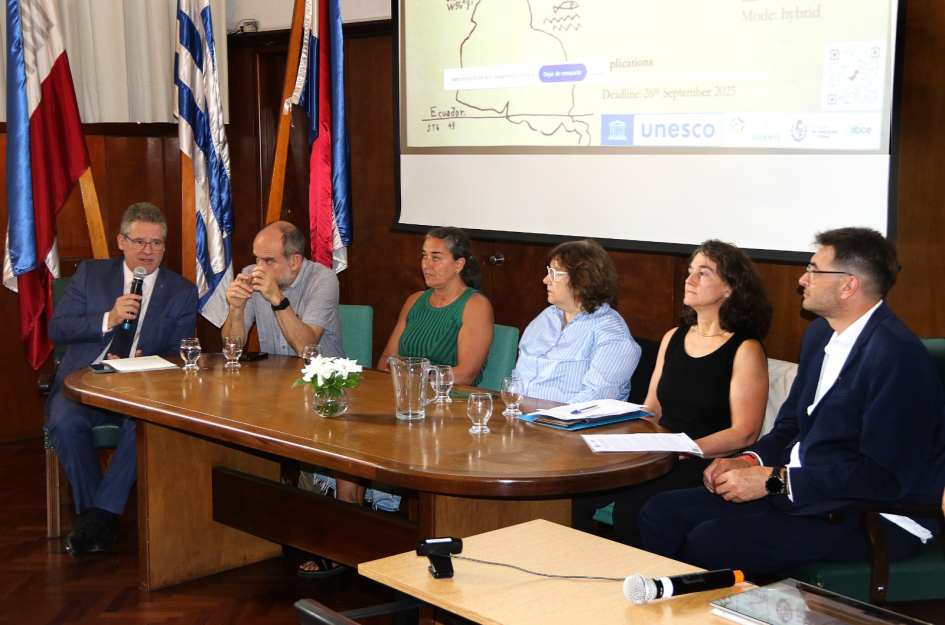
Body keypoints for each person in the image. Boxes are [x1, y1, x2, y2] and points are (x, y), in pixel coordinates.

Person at [639, 228, 945, 577]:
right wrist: (746, 460)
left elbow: (881, 479)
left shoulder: (898, 358)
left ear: (848, 285)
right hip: (802, 493)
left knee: (711, 542)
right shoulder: (819, 334)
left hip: (870, 513)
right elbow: (791, 425)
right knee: (660, 513)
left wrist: (772, 481)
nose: (802, 280)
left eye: (813, 270)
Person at [573, 241, 771, 545]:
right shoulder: (673, 337)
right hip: (660, 451)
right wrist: (619, 439)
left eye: (703, 273)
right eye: (690, 271)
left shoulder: (745, 348)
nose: (689, 280)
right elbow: (652, 409)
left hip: (703, 460)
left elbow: (745, 433)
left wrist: (683, 448)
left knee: (632, 509)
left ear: (730, 288)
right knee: (576, 493)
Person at [47, 203, 199, 558]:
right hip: (85, 382)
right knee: (65, 423)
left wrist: (142, 364)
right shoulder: (91, 274)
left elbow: (179, 355)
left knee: (143, 427)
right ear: (121, 241)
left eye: (156, 243)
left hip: (142, 388)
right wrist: (109, 318)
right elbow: (58, 329)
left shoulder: (181, 290)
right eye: (139, 242)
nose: (148, 251)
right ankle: (102, 517)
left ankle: (96, 519)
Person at [511, 239, 640, 403]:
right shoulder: (547, 317)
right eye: (549, 271)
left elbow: (595, 401)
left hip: (565, 418)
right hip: (520, 414)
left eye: (554, 273)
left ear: (582, 278)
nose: (545, 280)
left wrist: (544, 416)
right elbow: (517, 377)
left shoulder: (612, 334)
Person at [377, 227, 494, 385]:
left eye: (436, 258)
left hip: (449, 395)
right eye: (424, 256)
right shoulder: (414, 300)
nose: (426, 264)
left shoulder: (475, 305)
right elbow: (387, 359)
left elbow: (466, 374)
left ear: (459, 264)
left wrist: (412, 380)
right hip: (406, 391)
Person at [221, 221, 343, 359]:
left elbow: (306, 349)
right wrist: (236, 309)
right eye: (257, 259)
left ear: (294, 261)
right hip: (275, 371)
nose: (259, 268)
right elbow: (231, 350)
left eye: (268, 261)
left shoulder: (322, 279)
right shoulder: (250, 276)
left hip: (321, 371)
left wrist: (277, 299)